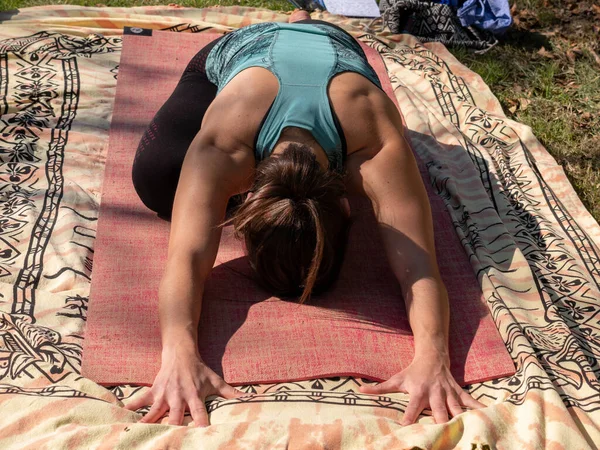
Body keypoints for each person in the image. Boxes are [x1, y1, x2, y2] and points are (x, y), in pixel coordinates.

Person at [124, 10, 485, 427]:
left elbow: (421, 270)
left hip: (332, 44)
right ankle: (296, 21)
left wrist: (433, 359)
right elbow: (185, 260)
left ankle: (304, 21)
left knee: (188, 196)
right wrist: (177, 356)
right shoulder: (226, 144)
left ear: (347, 206)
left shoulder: (374, 141)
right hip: (246, 50)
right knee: (157, 180)